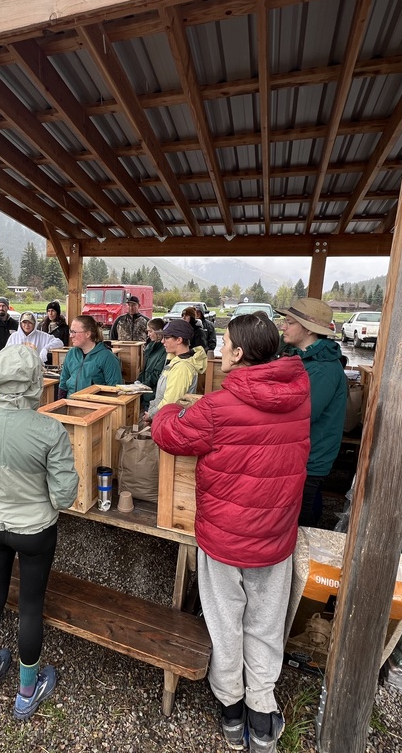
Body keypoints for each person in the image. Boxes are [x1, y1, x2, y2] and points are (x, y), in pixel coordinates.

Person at [150, 314, 310, 752]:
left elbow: (170, 435)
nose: (218, 350)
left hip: (224, 538)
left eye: (223, 344)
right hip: (276, 535)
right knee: (264, 624)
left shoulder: (218, 406)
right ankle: (263, 713)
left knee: (225, 623)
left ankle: (232, 709)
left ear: (239, 353)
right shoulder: (299, 396)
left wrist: (167, 406)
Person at [0, 345, 78, 720]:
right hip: (36, 528)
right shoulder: (50, 429)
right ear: (36, 383)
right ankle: (26, 690)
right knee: (30, 607)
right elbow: (64, 495)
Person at [276, 298, 347, 527]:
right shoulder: (308, 359)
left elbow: (299, 415)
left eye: (289, 322)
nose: (283, 326)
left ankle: (300, 559)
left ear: (307, 329)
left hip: (309, 459)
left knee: (299, 521)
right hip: (302, 454)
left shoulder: (322, 369)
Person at [143, 319, 207, 421]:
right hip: (164, 419)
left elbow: (170, 402)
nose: (163, 341)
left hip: (169, 421)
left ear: (179, 340)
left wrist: (151, 415)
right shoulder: (174, 361)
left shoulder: (182, 368)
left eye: (167, 337)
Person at [57, 315, 123, 397]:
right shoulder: (71, 353)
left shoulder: (107, 357)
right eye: (71, 331)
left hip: (95, 406)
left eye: (74, 332)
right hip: (70, 404)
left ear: (88, 334)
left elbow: (115, 388)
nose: (71, 335)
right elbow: (63, 382)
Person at [136, 318, 168, 405]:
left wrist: (141, 386)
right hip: (146, 392)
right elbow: (144, 368)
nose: (148, 334)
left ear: (159, 332)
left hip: (153, 395)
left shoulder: (165, 350)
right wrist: (138, 382)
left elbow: (157, 374)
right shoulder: (150, 346)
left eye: (150, 331)